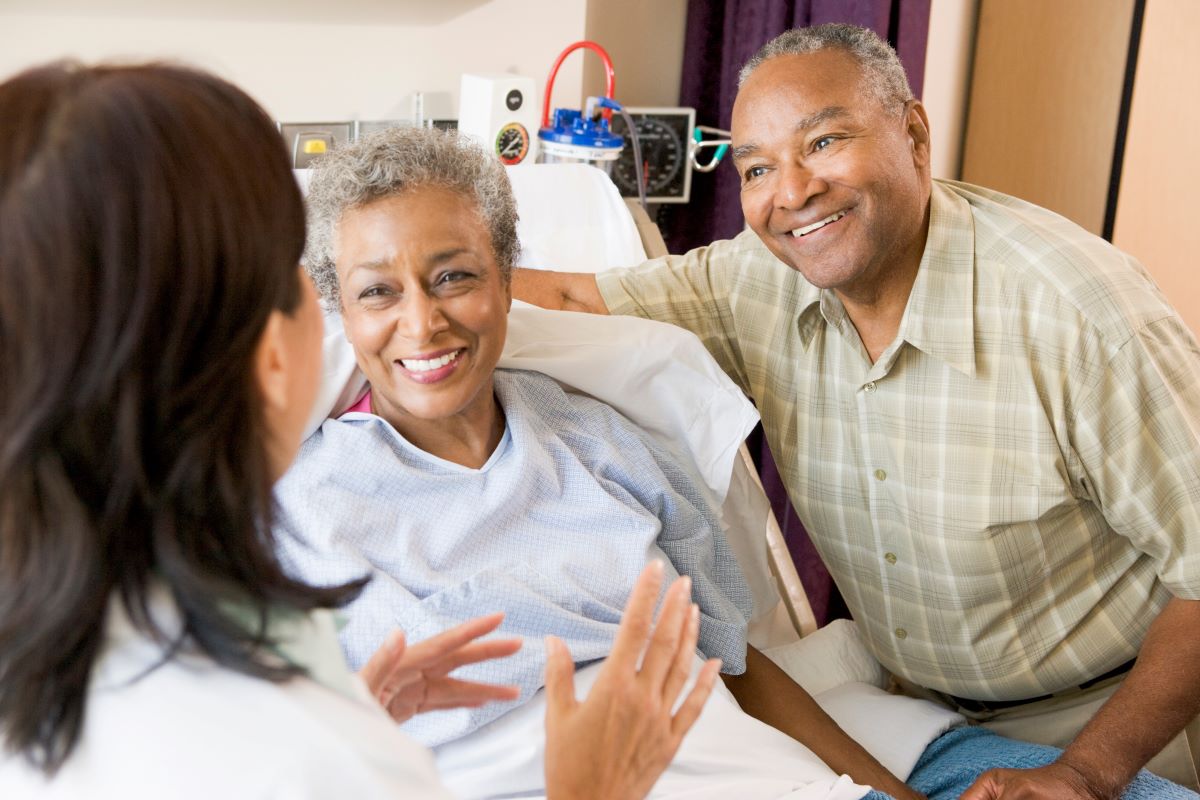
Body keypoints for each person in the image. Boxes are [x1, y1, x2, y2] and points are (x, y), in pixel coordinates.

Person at [511, 22, 1200, 800]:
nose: (792, 191)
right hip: (924, 720)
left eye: (826, 141)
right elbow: (571, 298)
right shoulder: (756, 281)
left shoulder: (1081, 318)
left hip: (1125, 721)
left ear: (913, 133)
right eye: (758, 167)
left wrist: (1084, 772)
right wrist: (382, 296)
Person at [0, 61, 721, 799]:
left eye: (455, 277)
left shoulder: (80, 644)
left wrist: (356, 715)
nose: (416, 320)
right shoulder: (274, 714)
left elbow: (734, 647)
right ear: (269, 351)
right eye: (302, 287)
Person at [279, 125, 904, 800]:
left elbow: (735, 664)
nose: (423, 321)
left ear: (506, 281)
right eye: (378, 292)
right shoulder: (302, 510)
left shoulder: (602, 441)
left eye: (455, 276)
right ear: (336, 307)